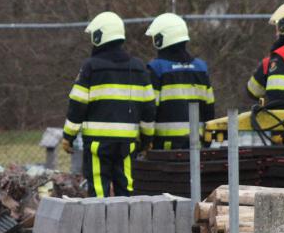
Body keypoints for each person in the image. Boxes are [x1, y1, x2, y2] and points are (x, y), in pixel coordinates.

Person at [61, 11, 156, 197]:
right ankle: (126, 225)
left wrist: (68, 136)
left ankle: (99, 226)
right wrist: (146, 139)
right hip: (127, 143)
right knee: (126, 188)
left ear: (99, 36)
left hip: (98, 143)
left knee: (98, 189)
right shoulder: (138, 67)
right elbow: (149, 107)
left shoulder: (91, 67)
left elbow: (77, 104)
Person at [144, 13, 216, 150]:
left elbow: (150, 109)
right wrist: (206, 141)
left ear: (160, 39)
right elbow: (209, 109)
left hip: (164, 148)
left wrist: (145, 141)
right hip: (197, 146)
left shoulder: (157, 68)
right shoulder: (201, 68)